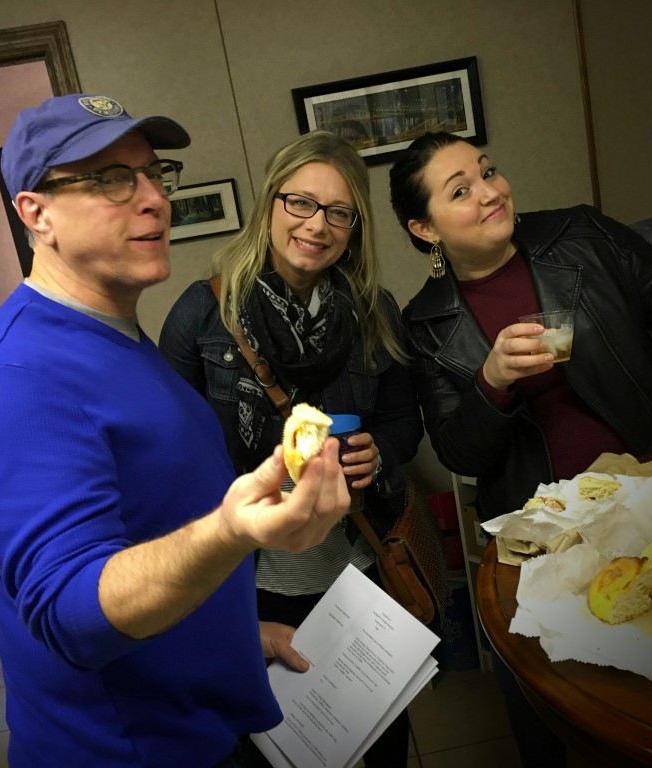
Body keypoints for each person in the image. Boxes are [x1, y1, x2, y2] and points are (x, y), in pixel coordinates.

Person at [0, 94, 351, 768]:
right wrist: (233, 529)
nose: (153, 198)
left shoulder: (111, 334)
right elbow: (74, 612)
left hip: (197, 717)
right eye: (110, 180)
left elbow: (150, 523)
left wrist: (233, 634)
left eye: (155, 174)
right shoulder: (12, 384)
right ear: (35, 214)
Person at [388, 131, 652, 766]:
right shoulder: (426, 323)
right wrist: (492, 380)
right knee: (553, 698)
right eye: (460, 190)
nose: (491, 192)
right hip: (545, 534)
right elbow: (461, 453)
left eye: (489, 171)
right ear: (425, 228)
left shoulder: (581, 235)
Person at [159, 129, 424, 768]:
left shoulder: (374, 310)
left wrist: (379, 452)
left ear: (355, 227)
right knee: (276, 744)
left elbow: (402, 418)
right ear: (270, 206)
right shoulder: (204, 313)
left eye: (339, 212)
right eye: (300, 203)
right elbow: (171, 455)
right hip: (251, 575)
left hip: (354, 561)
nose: (317, 225)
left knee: (379, 732)